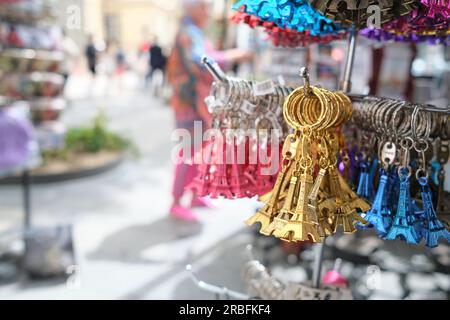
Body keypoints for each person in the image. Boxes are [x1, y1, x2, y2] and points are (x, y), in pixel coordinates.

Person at [167, 0, 252, 222]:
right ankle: (176, 202)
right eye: (203, 6)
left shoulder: (194, 32)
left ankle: (195, 195)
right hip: (189, 105)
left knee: (200, 152)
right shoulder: (189, 33)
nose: (207, 11)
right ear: (191, 8)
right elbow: (201, 63)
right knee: (188, 153)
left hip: (199, 105)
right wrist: (233, 55)